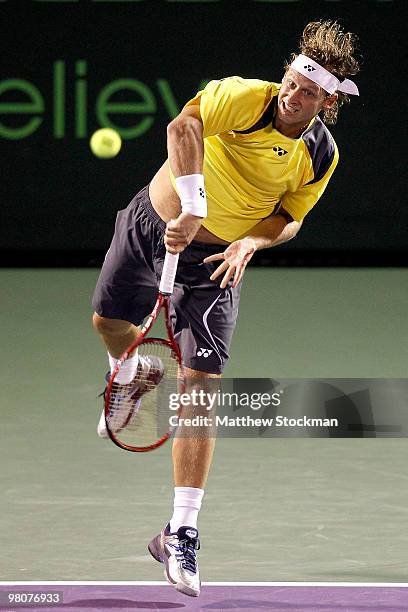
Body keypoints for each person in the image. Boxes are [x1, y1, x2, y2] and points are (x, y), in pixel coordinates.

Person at [92, 19, 360, 598]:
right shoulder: (244, 95)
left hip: (214, 268)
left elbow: (290, 216)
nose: (292, 95)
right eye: (291, 81)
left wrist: (250, 242)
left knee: (200, 388)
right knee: (108, 323)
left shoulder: (320, 153)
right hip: (152, 224)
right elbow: (183, 125)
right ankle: (136, 370)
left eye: (309, 91)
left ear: (329, 101)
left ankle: (181, 531)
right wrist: (192, 205)